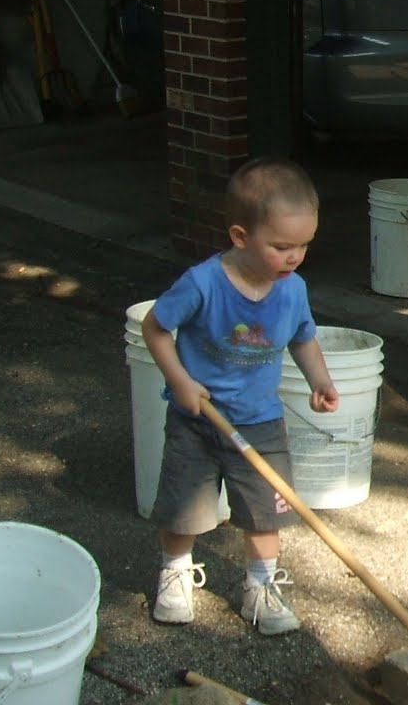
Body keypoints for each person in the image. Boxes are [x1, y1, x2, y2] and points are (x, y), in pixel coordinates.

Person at [141, 156, 339, 632]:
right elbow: (155, 327)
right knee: (183, 512)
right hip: (198, 421)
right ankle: (175, 574)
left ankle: (261, 588)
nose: (294, 257)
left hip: (261, 423)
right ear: (239, 237)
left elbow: (303, 336)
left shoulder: (293, 290)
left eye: (304, 246)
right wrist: (181, 381)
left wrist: (320, 380)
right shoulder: (203, 284)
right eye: (282, 246)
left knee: (264, 516)